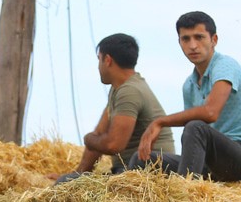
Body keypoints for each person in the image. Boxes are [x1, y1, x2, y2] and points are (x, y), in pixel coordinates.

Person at [137, 11, 241, 182]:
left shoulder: (225, 65)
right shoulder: (189, 85)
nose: (193, 45)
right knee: (142, 160)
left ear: (214, 40)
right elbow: (193, 141)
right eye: (186, 39)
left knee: (196, 128)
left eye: (199, 37)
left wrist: (160, 121)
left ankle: (183, 194)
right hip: (212, 162)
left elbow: (210, 112)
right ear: (179, 42)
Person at [52, 33, 175, 184]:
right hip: (129, 172)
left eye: (99, 60)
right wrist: (75, 177)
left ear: (108, 60)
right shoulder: (119, 88)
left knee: (64, 182)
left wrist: (88, 139)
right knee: (66, 182)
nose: (98, 66)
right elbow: (100, 134)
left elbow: (113, 144)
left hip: (146, 176)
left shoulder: (129, 91)